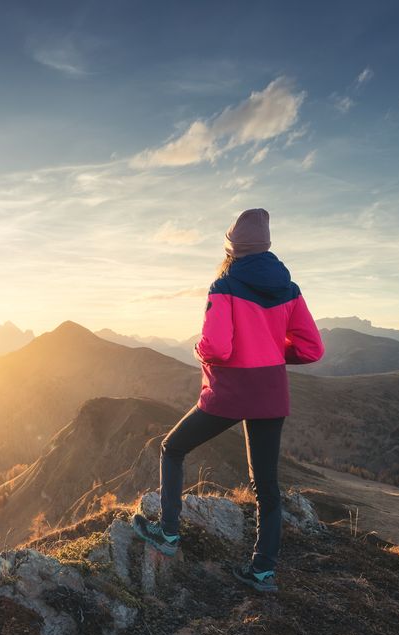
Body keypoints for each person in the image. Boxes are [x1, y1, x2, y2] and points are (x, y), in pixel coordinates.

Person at [133, 208, 324, 593]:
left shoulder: (224, 286)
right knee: (266, 487)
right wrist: (270, 352)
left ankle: (168, 534)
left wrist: (200, 350)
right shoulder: (290, 290)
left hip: (229, 393)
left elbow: (217, 346)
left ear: (232, 247)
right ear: (267, 245)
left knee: (172, 448)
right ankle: (263, 571)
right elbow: (312, 348)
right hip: (270, 391)